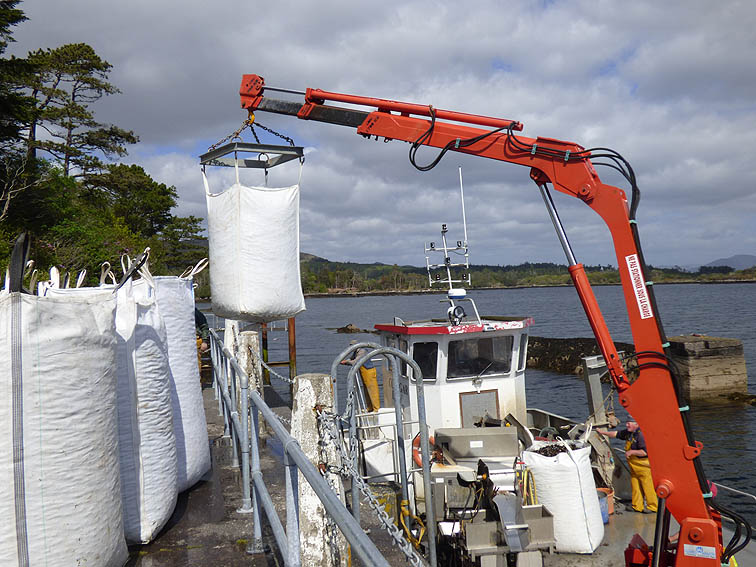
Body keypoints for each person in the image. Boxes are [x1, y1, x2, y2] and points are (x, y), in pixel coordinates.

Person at [598, 420, 658, 513]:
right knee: (635, 487)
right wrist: (602, 432)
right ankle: (637, 506)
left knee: (648, 487)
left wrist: (632, 452)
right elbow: (616, 434)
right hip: (634, 468)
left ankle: (653, 507)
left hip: (644, 467)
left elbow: (645, 452)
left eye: (629, 423)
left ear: (636, 424)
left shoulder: (641, 435)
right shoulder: (629, 433)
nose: (626, 425)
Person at [340, 340, 380, 411]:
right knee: (366, 390)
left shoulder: (362, 352)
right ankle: (370, 407)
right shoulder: (356, 352)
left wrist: (347, 362)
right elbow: (352, 358)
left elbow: (354, 362)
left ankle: (376, 408)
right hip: (363, 372)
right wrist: (345, 361)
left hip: (369, 371)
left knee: (372, 390)